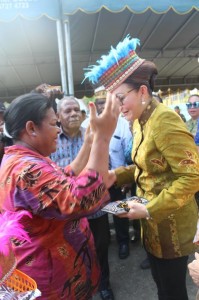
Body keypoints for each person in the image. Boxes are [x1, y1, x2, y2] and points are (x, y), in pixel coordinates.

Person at [84, 35, 199, 300]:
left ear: (143, 92)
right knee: (161, 286)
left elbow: (191, 177)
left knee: (172, 292)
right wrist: (116, 174)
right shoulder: (138, 120)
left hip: (171, 226)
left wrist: (149, 208)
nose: (117, 106)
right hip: (150, 223)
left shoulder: (165, 119)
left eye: (120, 98)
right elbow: (146, 167)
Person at [0, 92, 120, 299]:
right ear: (31, 128)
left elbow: (61, 179)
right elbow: (79, 200)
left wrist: (89, 143)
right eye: (54, 124)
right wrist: (103, 137)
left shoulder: (25, 159)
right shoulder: (26, 169)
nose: (58, 130)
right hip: (52, 281)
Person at [82, 87, 133, 261]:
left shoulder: (123, 123)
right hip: (95, 182)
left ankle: (123, 241)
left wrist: (126, 177)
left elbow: (128, 152)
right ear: (94, 105)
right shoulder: (86, 125)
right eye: (99, 103)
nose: (103, 106)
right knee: (100, 216)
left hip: (117, 177)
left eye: (105, 102)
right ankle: (103, 245)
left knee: (120, 213)